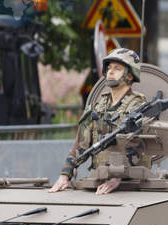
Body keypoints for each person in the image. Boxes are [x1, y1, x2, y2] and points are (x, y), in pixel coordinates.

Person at [49, 48, 146, 195]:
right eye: (109, 68)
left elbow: (137, 147)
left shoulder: (139, 106)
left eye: (117, 69)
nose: (111, 72)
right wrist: (65, 175)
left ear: (130, 75)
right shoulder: (98, 107)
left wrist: (116, 177)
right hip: (101, 181)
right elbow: (81, 145)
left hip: (131, 183)